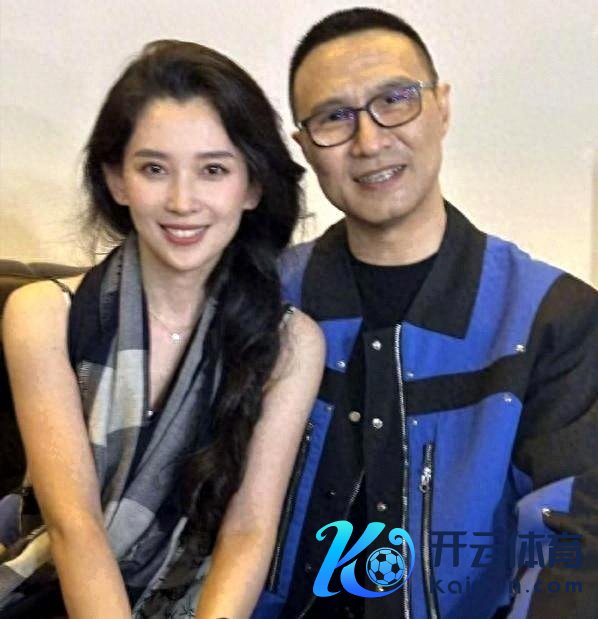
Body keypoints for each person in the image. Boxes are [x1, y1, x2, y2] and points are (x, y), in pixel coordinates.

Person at [250, 8, 598, 619]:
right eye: (334, 117)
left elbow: (573, 549)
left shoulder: (554, 318)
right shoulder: (261, 299)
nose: (369, 141)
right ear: (303, 147)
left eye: (395, 100)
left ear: (441, 107)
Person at [0, 40, 325, 618]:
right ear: (117, 181)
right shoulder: (42, 315)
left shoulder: (291, 343)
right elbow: (75, 526)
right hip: (51, 592)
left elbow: (249, 529)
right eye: (154, 169)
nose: (181, 201)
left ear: (252, 187)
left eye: (213, 170)